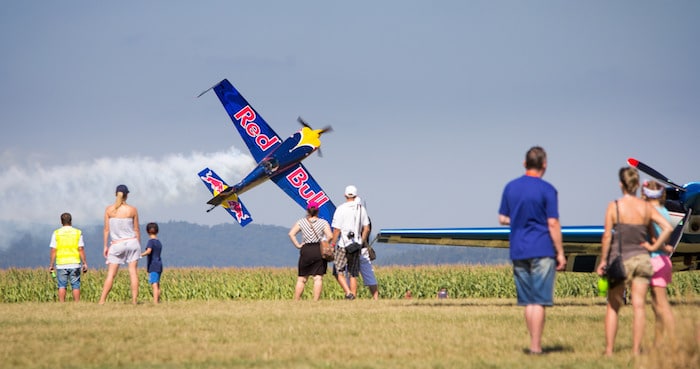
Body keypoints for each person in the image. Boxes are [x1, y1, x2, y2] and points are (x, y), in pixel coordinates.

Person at [595, 168, 672, 356]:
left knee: (613, 306)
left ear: (621, 184)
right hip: (642, 260)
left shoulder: (614, 206)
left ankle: (609, 350)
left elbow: (606, 236)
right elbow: (667, 228)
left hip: (621, 260)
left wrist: (603, 260)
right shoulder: (646, 208)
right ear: (637, 186)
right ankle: (636, 350)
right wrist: (655, 248)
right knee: (639, 306)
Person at [498, 146, 566, 355]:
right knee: (539, 301)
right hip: (542, 248)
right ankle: (536, 347)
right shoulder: (547, 190)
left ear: (524, 164)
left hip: (519, 249)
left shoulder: (510, 187)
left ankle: (532, 344)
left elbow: (502, 219)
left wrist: (518, 219)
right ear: (544, 165)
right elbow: (553, 223)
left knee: (528, 301)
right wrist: (560, 252)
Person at [641, 180, 676, 347]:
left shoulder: (651, 211)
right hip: (664, 260)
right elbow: (668, 231)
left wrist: (655, 246)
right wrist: (664, 246)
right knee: (656, 305)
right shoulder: (664, 211)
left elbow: (656, 237)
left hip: (655, 259)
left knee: (661, 304)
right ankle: (659, 341)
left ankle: (674, 340)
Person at [99, 184, 141, 305]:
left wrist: (105, 246)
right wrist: (138, 244)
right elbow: (136, 229)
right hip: (132, 242)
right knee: (133, 272)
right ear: (127, 195)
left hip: (117, 244)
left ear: (115, 194)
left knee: (111, 274)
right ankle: (134, 300)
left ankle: (102, 300)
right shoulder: (132, 210)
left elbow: (106, 229)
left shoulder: (109, 210)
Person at [331, 185, 370, 300]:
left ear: (345, 195)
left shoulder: (340, 209)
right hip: (356, 244)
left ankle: (348, 293)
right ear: (356, 195)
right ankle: (353, 295)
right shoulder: (361, 209)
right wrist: (361, 241)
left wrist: (333, 244)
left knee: (338, 271)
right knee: (353, 273)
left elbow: (337, 229)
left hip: (343, 244)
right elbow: (366, 228)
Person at [288, 201, 333, 300]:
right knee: (318, 277)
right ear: (318, 211)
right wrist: (324, 242)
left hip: (306, 249)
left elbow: (291, 233)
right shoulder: (323, 222)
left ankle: (296, 299)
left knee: (302, 278)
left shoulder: (301, 222)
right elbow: (330, 235)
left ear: (307, 210)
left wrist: (298, 245)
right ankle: (315, 300)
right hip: (318, 249)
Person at [48, 212, 88, 302]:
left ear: (61, 222)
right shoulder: (78, 232)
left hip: (61, 264)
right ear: (71, 221)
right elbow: (80, 248)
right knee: (76, 285)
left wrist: (51, 264)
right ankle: (77, 304)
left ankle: (62, 304)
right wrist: (84, 262)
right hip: (75, 263)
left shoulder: (56, 233)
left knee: (62, 285)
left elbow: (53, 250)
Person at [347, 196, 379, 300]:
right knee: (369, 275)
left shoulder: (350, 218)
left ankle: (352, 296)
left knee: (351, 274)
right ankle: (375, 298)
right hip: (364, 249)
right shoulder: (367, 219)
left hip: (353, 249)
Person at [140, 222, 163, 304]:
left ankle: (155, 302)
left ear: (147, 231)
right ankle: (158, 300)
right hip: (159, 264)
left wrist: (140, 255)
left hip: (153, 265)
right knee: (157, 284)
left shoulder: (151, 242)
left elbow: (149, 251)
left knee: (154, 284)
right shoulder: (158, 242)